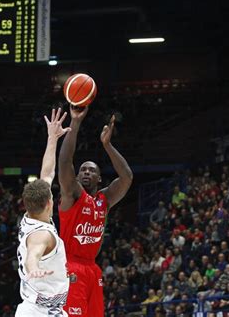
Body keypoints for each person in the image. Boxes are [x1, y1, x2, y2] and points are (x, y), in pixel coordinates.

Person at [58, 106, 133, 317]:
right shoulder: (72, 195)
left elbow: (127, 177)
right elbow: (64, 163)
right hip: (70, 266)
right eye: (83, 169)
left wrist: (107, 145)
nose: (86, 172)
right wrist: (75, 123)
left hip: (92, 268)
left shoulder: (104, 199)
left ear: (99, 178)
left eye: (92, 170)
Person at [15, 108, 72, 316]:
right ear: (50, 203)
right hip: (38, 312)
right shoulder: (41, 234)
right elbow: (33, 253)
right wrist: (34, 268)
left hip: (49, 308)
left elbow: (47, 172)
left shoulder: (29, 217)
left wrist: (52, 138)